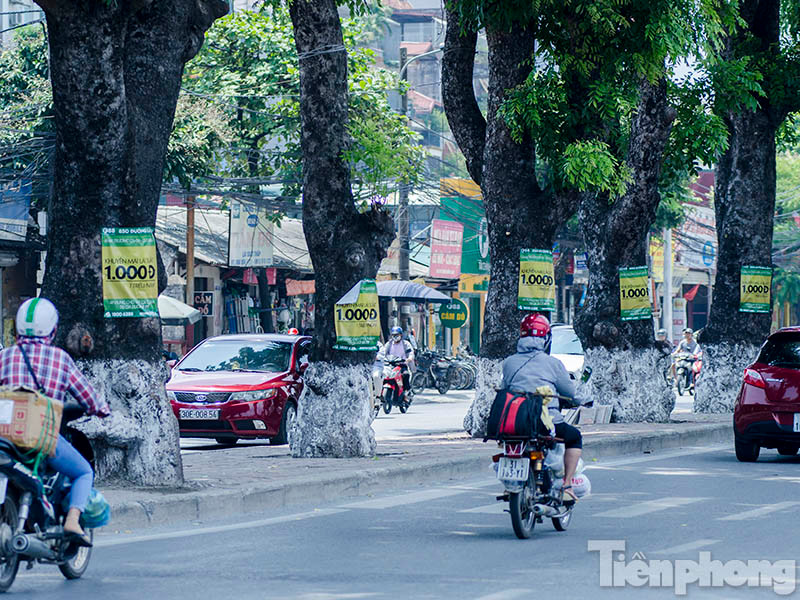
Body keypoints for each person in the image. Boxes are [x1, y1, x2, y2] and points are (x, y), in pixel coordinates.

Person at [0, 298, 110, 547]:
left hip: (4, 436)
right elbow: (89, 398)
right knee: (84, 472)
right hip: (39, 437)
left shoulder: (5, 357)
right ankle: (72, 521)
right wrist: (102, 410)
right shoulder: (60, 359)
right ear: (53, 330)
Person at [500, 313, 587, 503]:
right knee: (574, 436)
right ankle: (567, 485)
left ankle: (510, 485)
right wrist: (581, 400)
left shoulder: (509, 363)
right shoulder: (553, 363)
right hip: (545, 423)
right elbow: (570, 393)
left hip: (514, 422)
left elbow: (505, 389)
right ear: (546, 339)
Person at [376, 326, 415, 396]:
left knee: (406, 374)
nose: (395, 337)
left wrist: (409, 358)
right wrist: (380, 357)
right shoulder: (389, 343)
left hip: (401, 364)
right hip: (390, 364)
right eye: (393, 335)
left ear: (401, 335)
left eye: (397, 335)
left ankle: (406, 392)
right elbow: (383, 352)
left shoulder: (406, 344)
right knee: (382, 375)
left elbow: (410, 353)